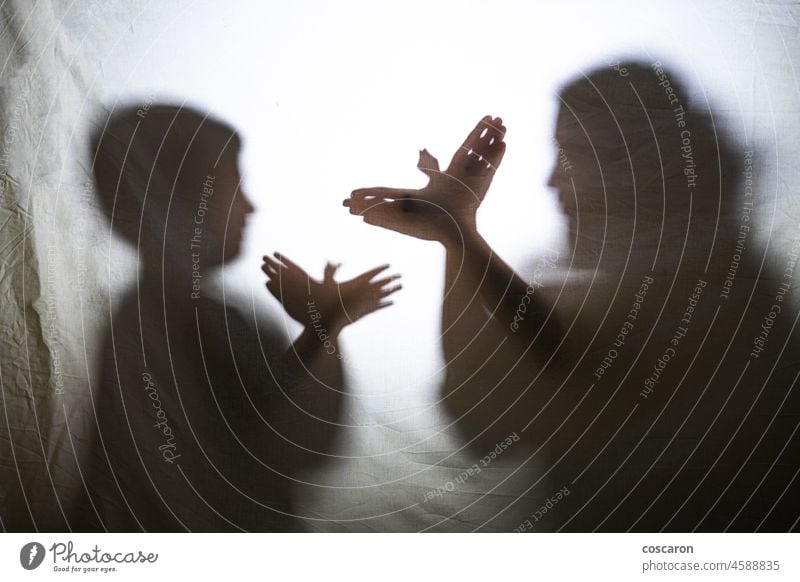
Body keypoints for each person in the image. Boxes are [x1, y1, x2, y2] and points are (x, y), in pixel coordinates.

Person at [345, 62, 800, 531]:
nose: (553, 182)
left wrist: (462, 237)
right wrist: (457, 239)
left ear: (652, 171)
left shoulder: (733, 296)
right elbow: (477, 420)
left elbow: (573, 368)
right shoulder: (580, 291)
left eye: (577, 157)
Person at [82, 104, 400, 531]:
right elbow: (286, 444)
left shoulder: (148, 311)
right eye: (234, 187)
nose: (250, 207)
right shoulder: (181, 314)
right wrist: (325, 324)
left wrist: (322, 325)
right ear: (184, 198)